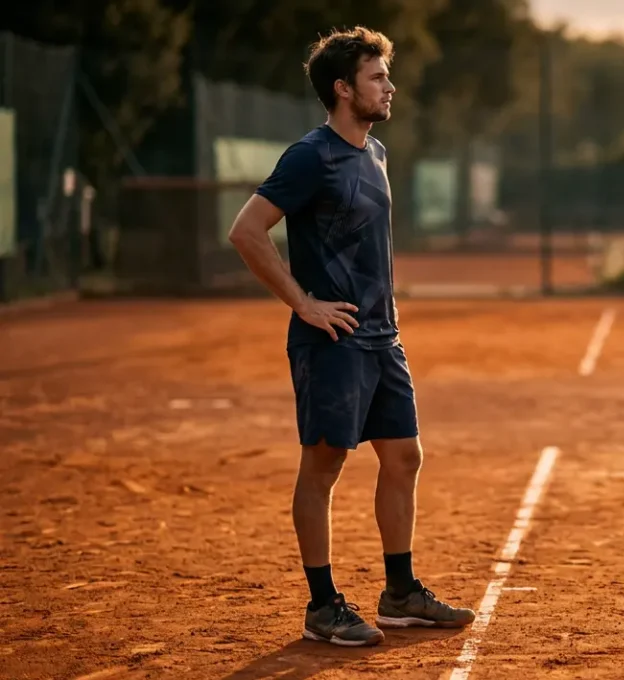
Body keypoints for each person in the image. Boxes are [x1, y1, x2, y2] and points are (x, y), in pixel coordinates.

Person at [227, 26, 476, 647]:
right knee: (324, 465)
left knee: (404, 457)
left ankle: (400, 593)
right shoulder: (310, 156)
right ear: (343, 89)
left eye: (386, 76)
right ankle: (322, 605)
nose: (389, 86)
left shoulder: (377, 152)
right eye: (376, 77)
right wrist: (304, 303)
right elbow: (247, 231)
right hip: (331, 341)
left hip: (383, 338)